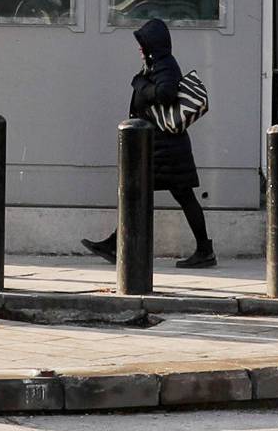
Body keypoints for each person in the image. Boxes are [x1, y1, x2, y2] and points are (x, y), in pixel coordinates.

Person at [82, 16, 216, 269]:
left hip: (165, 148)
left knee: (163, 195)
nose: (139, 47)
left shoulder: (165, 66)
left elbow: (165, 93)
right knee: (146, 194)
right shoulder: (157, 64)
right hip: (160, 147)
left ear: (153, 45)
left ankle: (204, 250)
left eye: (143, 43)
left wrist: (140, 83)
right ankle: (116, 244)